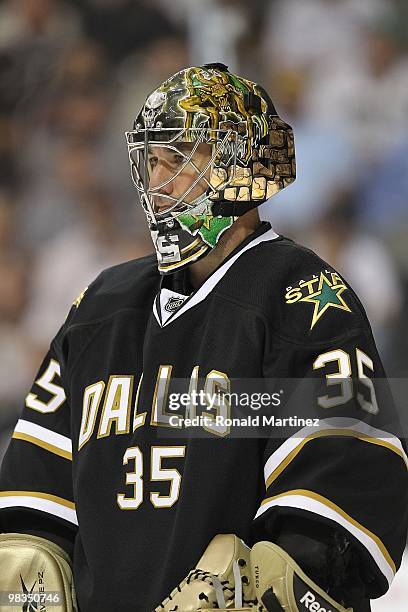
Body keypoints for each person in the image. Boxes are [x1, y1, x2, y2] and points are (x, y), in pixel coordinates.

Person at [0, 63, 407, 611]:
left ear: (242, 165)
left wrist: (278, 582)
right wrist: (30, 566)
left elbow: (348, 481)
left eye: (181, 158)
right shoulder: (100, 307)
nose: (158, 182)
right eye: (152, 160)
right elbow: (33, 502)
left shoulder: (299, 295)